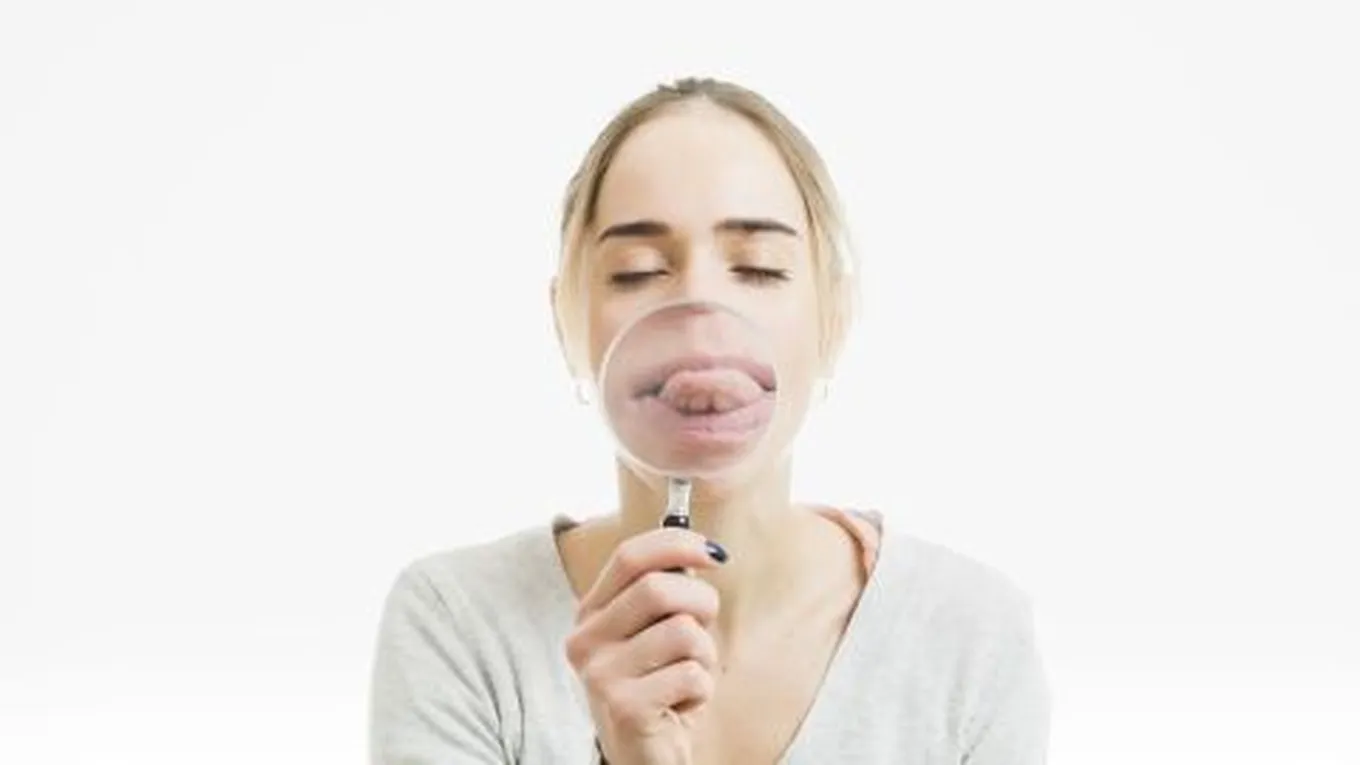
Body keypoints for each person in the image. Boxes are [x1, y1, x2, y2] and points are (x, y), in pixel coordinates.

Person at [368, 77, 1050, 765]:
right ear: (566, 323)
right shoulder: (458, 622)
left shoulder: (969, 636)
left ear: (835, 318)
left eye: (758, 268)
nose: (697, 304)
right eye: (636, 271)